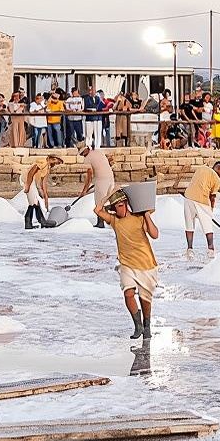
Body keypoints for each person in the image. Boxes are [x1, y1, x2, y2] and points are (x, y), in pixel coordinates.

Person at [95, 187, 160, 340]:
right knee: (128, 294)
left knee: (145, 299)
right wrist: (107, 195)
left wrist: (146, 215)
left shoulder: (139, 218)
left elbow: (155, 235)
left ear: (127, 204)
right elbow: (97, 210)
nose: (119, 209)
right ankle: (137, 326)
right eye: (116, 207)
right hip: (126, 264)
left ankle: (147, 324)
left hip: (146, 264)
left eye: (121, 205)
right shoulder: (114, 221)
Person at [182, 160, 220, 258]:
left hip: (188, 197)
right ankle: (211, 250)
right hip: (202, 200)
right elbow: (212, 197)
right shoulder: (218, 180)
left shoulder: (201, 168)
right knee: (208, 227)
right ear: (218, 168)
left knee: (189, 225)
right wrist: (211, 210)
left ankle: (189, 249)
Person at [74, 140, 116, 229]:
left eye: (82, 153)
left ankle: (100, 223)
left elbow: (89, 176)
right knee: (107, 199)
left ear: (86, 149)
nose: (81, 155)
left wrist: (84, 191)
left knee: (99, 203)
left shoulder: (87, 159)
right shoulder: (98, 152)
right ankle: (111, 212)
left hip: (101, 181)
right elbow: (107, 163)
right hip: (110, 178)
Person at [23, 154, 61, 228]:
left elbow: (43, 183)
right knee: (34, 202)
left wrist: (45, 196)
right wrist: (27, 185)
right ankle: (40, 221)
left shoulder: (47, 168)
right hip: (27, 179)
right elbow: (31, 172)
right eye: (56, 162)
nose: (56, 164)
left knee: (34, 203)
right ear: (52, 159)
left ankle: (32, 223)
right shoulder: (43, 162)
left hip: (32, 182)